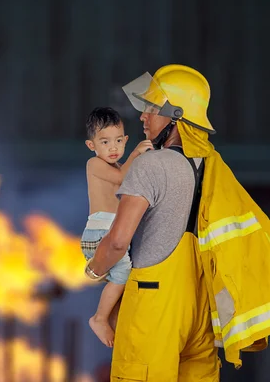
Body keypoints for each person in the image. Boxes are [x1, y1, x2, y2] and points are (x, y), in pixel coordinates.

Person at [84, 64, 270, 381]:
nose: (142, 117)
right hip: (199, 308)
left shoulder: (150, 164)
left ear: (176, 115)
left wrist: (95, 269)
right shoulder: (210, 165)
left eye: (152, 109)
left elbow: (117, 241)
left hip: (153, 303)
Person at [81, 107, 152, 347]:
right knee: (122, 276)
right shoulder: (93, 164)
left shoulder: (119, 165)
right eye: (105, 142)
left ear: (125, 139)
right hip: (101, 233)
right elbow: (123, 178)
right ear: (92, 146)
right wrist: (136, 154)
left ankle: (112, 320)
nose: (113, 148)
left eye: (118, 141)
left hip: (109, 232)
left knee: (121, 283)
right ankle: (99, 318)